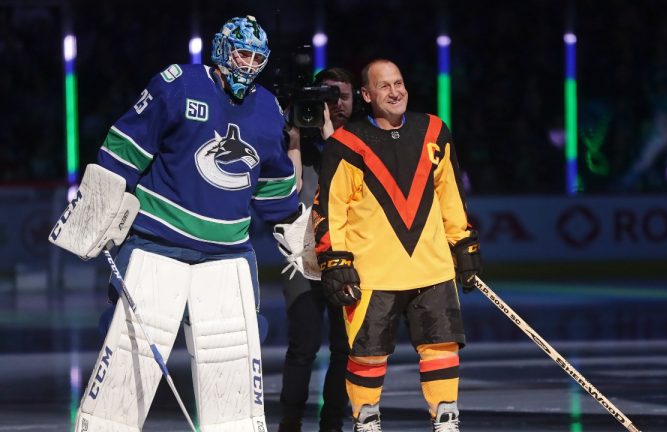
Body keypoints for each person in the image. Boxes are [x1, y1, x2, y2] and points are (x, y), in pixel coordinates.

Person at [59, 16, 302, 431]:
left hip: (227, 253)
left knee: (233, 359)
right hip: (157, 242)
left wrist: (297, 232)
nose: (249, 65)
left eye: (258, 58)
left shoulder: (267, 110)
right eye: (243, 54)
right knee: (127, 351)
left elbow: (274, 185)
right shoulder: (177, 84)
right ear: (223, 50)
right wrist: (96, 209)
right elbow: (125, 149)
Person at [312, 59, 482, 432]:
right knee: (367, 354)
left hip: (432, 267)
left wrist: (463, 243)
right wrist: (334, 260)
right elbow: (330, 207)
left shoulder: (434, 130)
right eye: (384, 86)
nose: (395, 91)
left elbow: (450, 194)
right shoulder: (346, 143)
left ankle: (446, 418)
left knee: (441, 346)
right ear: (367, 95)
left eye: (399, 83)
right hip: (373, 273)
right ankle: (367, 419)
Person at [278, 67, 356, 432]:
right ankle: (290, 422)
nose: (336, 104)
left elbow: (349, 183)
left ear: (355, 99)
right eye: (327, 96)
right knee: (303, 346)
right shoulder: (295, 144)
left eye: (343, 96)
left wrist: (329, 133)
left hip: (349, 258)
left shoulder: (363, 140)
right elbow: (289, 192)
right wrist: (294, 138)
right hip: (303, 259)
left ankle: (332, 424)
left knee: (346, 349)